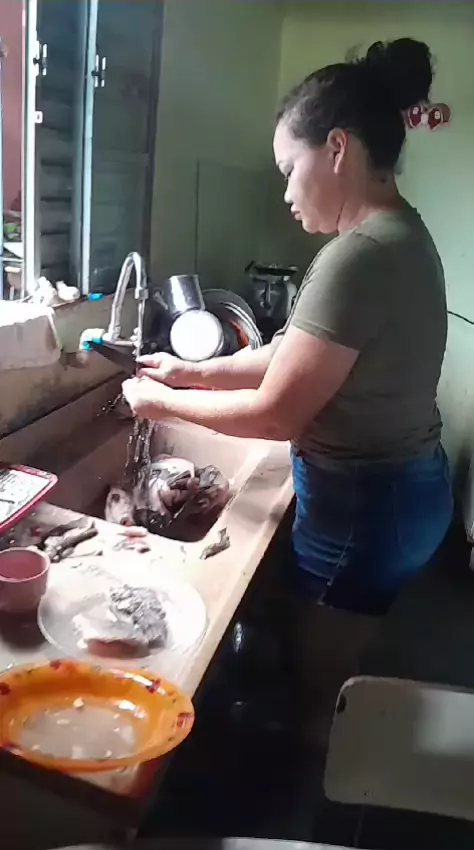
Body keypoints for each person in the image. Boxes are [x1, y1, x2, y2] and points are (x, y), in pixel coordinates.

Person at [122, 38, 453, 739]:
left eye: (287, 169)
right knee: (326, 651)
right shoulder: (400, 233)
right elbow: (290, 355)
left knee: (320, 689)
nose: (285, 192)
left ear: (336, 148)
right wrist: (188, 371)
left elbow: (276, 414)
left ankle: (310, 782)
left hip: (366, 505)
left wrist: (158, 402)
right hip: (400, 491)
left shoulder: (357, 256)